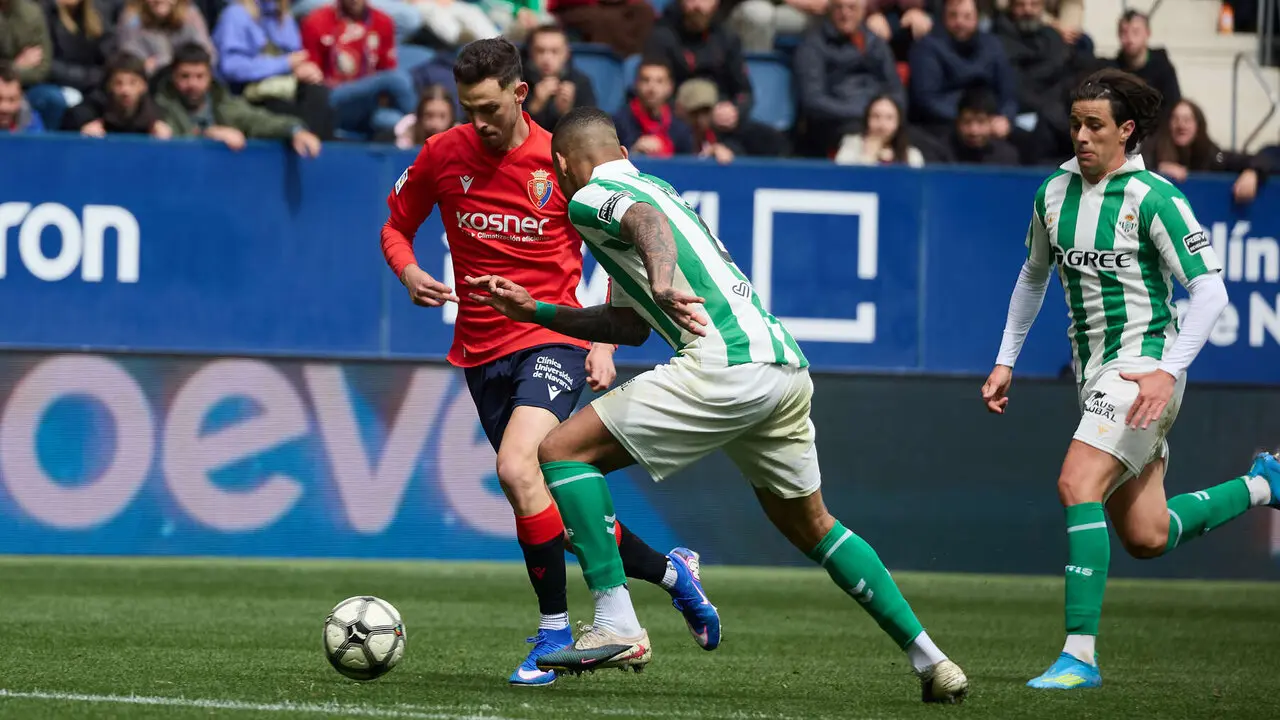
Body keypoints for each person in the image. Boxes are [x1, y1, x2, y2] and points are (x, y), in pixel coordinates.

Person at [463, 105, 971, 705]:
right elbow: (627, 325)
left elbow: (644, 224)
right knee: (814, 526)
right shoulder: (655, 185)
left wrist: (660, 275)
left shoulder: (592, 195)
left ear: (565, 164)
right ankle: (932, 660)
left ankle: (617, 619)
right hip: (783, 370)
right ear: (623, 150)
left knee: (559, 454)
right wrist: (540, 312)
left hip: (722, 366)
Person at [378, 38, 721, 688]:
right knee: (559, 518)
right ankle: (676, 573)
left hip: (550, 340)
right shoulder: (443, 154)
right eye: (466, 107)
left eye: (487, 107)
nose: (478, 120)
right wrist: (410, 271)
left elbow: (619, 248)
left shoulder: (558, 164)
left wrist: (605, 339)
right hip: (480, 355)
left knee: (516, 467)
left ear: (519, 93)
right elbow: (395, 226)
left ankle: (553, 635)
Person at [981, 67, 1280, 691]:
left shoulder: (1156, 200)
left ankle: (1080, 656)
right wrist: (1007, 357)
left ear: (1126, 132)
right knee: (1147, 535)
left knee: (1075, 481)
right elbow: (1033, 277)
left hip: (1144, 368)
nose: (1082, 137)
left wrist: (1168, 374)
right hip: (1097, 377)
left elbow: (1210, 292)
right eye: (1075, 124)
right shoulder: (1052, 195)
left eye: (1095, 126)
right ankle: (1263, 484)